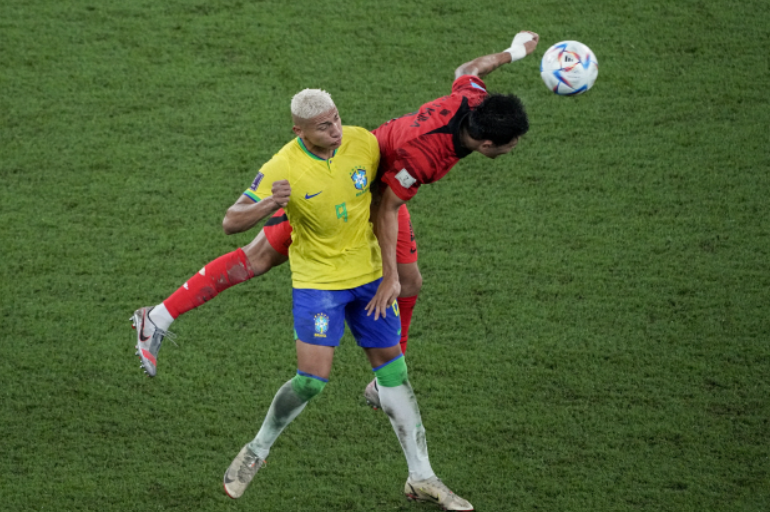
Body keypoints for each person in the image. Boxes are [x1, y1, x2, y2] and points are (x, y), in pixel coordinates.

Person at [131, 31, 539, 409]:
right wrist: (388, 276)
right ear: (488, 144)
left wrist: (515, 51)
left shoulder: (472, 98)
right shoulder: (425, 157)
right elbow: (385, 209)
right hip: (354, 190)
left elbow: (469, 69)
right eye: (512, 144)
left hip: (368, 178)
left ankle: (383, 382)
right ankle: (156, 318)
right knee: (260, 259)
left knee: (407, 281)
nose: (515, 147)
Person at [218, 88, 474, 511]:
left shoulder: (363, 142)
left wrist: (392, 274)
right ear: (299, 131)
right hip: (320, 286)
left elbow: (387, 203)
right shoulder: (283, 165)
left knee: (394, 373)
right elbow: (231, 221)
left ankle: (422, 476)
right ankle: (257, 449)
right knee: (311, 381)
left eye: (336, 118)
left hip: (369, 280)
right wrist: (270, 204)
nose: (336, 130)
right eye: (324, 126)